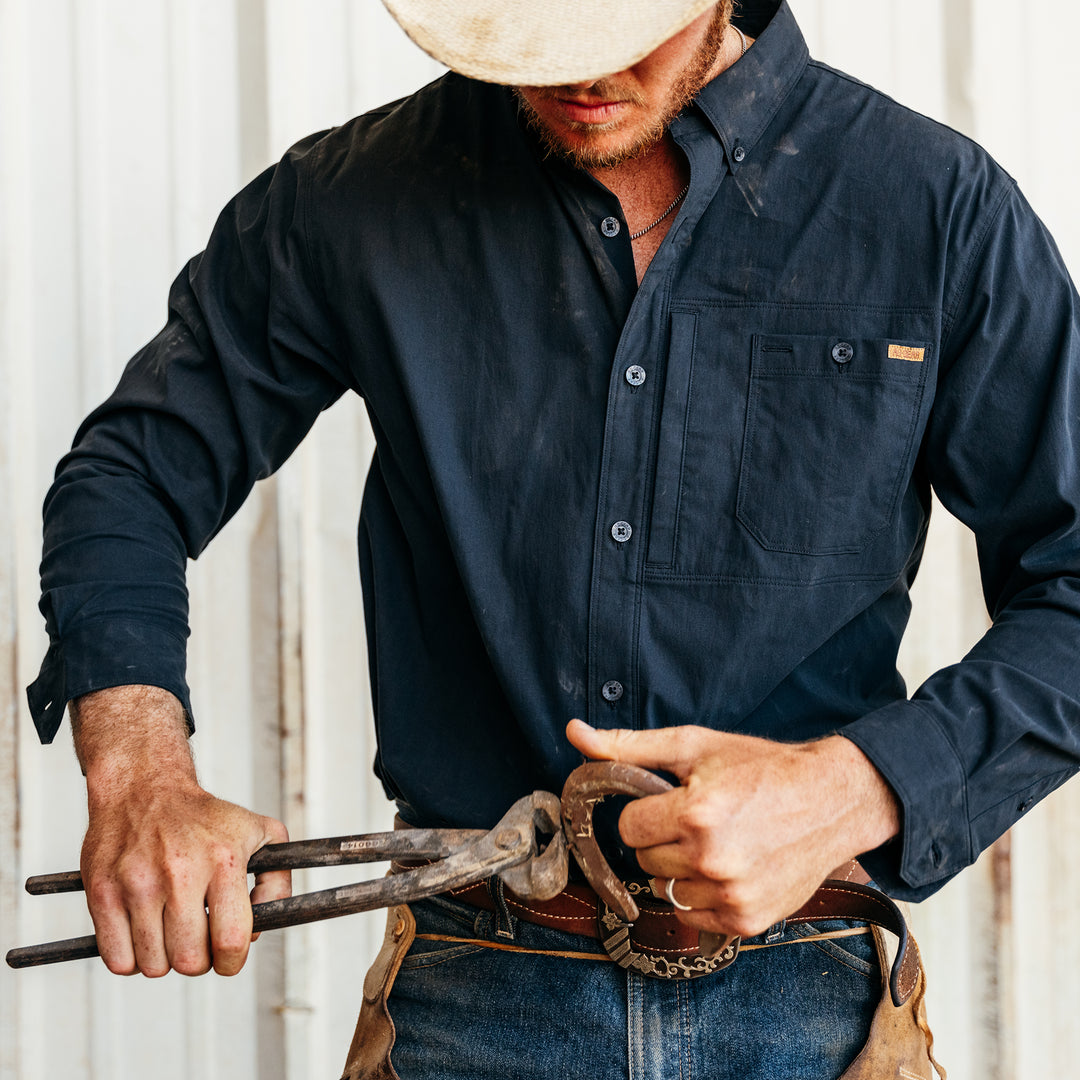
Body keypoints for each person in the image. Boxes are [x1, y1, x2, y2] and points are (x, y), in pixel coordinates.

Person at [26, 0, 1080, 1076]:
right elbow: (133, 474)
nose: (586, 76)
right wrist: (142, 772)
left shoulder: (935, 206)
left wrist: (856, 787)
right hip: (468, 992)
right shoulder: (351, 200)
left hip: (811, 998)